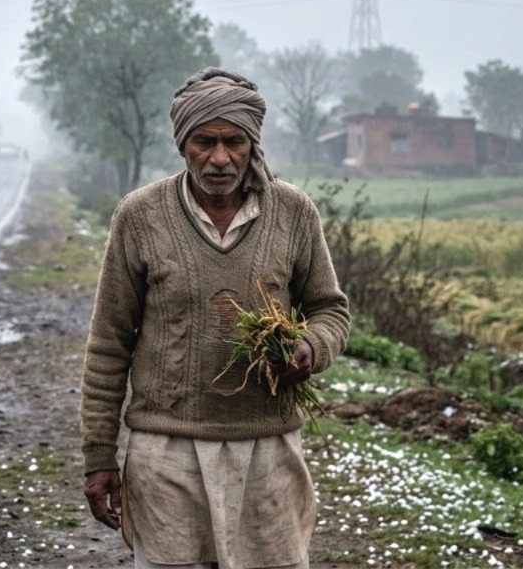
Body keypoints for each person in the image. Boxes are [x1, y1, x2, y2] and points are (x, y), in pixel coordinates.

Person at [79, 67, 350, 569]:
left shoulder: (293, 211)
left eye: (234, 142)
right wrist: (99, 458)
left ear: (253, 145)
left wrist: (311, 346)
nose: (220, 158)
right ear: (183, 145)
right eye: (205, 141)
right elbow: (109, 342)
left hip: (267, 446)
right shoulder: (140, 216)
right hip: (166, 450)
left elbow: (329, 308)